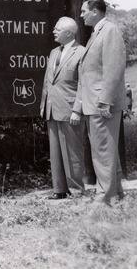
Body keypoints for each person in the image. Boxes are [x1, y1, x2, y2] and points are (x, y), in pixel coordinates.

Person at [74, 0, 127, 205]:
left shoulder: (109, 31)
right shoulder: (97, 33)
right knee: (106, 150)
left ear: (95, 11)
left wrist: (105, 100)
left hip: (101, 104)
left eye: (83, 11)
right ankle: (117, 193)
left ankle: (104, 198)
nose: (81, 15)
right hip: (95, 102)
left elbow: (114, 68)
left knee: (102, 151)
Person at [40, 17, 86, 199]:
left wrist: (77, 109)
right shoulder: (53, 52)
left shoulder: (82, 53)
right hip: (52, 109)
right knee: (55, 151)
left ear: (69, 32)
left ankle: (76, 191)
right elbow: (47, 81)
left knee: (73, 151)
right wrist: (44, 105)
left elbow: (84, 84)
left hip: (69, 110)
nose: (54, 31)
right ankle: (59, 189)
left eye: (57, 29)